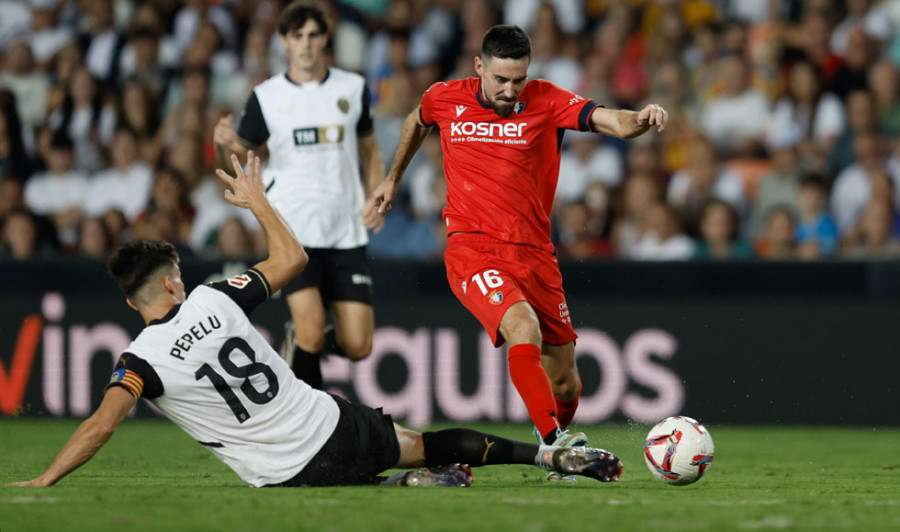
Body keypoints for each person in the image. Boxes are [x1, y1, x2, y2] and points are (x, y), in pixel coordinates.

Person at [4, 151, 622, 489]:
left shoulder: (140, 361)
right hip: (333, 426)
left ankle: (386, 487)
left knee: (345, 472)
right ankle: (541, 458)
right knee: (422, 444)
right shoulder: (217, 299)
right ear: (170, 282)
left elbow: (101, 426)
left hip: (285, 476)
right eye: (179, 274)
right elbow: (292, 259)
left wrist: (46, 479)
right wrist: (258, 201)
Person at [367, 24, 666, 481]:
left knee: (566, 380)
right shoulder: (445, 97)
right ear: (479, 66)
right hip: (472, 248)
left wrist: (641, 119)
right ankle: (554, 443)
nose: (510, 91)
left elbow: (611, 121)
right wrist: (393, 178)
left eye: (518, 80)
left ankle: (559, 452)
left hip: (535, 254)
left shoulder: (546, 100)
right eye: (501, 80)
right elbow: (417, 121)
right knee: (521, 324)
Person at [213, 2, 385, 390]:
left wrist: (376, 193)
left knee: (358, 345)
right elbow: (236, 162)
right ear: (285, 42)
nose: (306, 44)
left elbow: (370, 149)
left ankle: (299, 346)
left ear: (325, 38)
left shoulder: (352, 88)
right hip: (292, 227)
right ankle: (316, 431)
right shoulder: (267, 96)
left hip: (345, 228)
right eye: (297, 36)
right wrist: (222, 145)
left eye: (312, 35)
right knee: (309, 333)